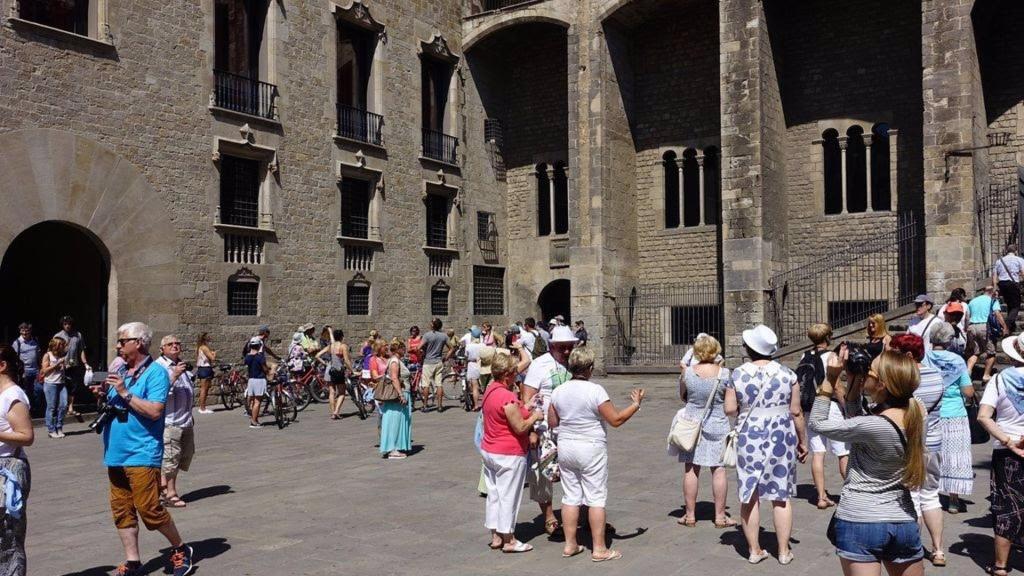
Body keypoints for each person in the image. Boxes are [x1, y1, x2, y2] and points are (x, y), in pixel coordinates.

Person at [810, 349, 926, 575]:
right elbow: (857, 418)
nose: (867, 375)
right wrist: (855, 380)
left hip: (860, 520)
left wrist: (831, 379)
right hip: (902, 519)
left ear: (882, 384)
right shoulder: (916, 412)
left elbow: (817, 423)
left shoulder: (875, 426)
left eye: (870, 372)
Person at [101, 322, 194, 576]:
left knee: (149, 509)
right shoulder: (122, 370)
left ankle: (180, 548)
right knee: (122, 511)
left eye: (123, 341)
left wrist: (124, 392)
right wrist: (106, 391)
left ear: (139, 343)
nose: (118, 345)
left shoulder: (156, 373)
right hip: (116, 452)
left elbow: (154, 411)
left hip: (142, 452)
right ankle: (133, 561)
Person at [549, 346, 644, 561]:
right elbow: (616, 419)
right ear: (590, 368)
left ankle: (570, 544)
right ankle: (599, 548)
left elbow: (553, 421)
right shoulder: (595, 390)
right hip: (590, 446)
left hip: (566, 446)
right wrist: (635, 405)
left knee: (570, 496)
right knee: (596, 498)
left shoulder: (559, 390)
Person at [724, 324, 807, 565]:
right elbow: (796, 411)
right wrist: (803, 442)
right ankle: (783, 551)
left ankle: (754, 550)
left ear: (749, 348)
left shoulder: (736, 374)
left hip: (750, 435)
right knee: (781, 495)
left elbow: (730, 409)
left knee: (750, 493)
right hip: (781, 434)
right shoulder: (787, 374)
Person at [890, 332, 947, 567]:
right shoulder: (937, 375)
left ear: (908, 355)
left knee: (912, 498)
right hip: (934, 443)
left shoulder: (906, 380)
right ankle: (938, 549)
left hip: (911, 446)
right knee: (931, 496)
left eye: (895, 352)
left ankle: (912, 549)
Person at [667, 334, 734, 528]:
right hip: (718, 423)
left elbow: (683, 396)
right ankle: (720, 516)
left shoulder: (687, 373)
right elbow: (730, 405)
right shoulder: (725, 374)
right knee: (718, 469)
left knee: (691, 468)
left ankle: (689, 515)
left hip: (692, 423)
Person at [481, 350, 544, 553]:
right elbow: (520, 427)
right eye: (514, 373)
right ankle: (509, 539)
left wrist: (525, 406)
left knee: (494, 494)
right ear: (507, 374)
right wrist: (535, 416)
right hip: (508, 453)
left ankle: (496, 536)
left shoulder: (490, 390)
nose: (517, 376)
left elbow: (512, 411)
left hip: (489, 450)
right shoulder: (506, 396)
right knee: (509, 496)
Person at [522, 325, 577, 535]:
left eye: (569, 347)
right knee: (542, 473)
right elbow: (527, 396)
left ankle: (582, 512)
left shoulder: (575, 361)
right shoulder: (540, 365)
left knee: (575, 471)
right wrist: (532, 430)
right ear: (551, 346)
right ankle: (549, 517)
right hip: (544, 428)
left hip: (570, 428)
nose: (566, 352)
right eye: (561, 348)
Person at [977, 331, 1024, 576]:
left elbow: (983, 416)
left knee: (1006, 505)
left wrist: (1008, 440)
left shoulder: (999, 379)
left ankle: (1001, 566)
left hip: (1007, 452)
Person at [924, 322, 975, 514]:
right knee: (955, 456)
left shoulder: (925, 358)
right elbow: (968, 392)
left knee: (932, 455)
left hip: (932, 412)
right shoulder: (957, 360)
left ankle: (930, 494)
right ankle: (953, 500)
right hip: (954, 413)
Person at [802, 324, 849, 510]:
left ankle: (821, 496)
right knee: (843, 452)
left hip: (811, 408)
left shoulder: (805, 356)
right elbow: (836, 385)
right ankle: (851, 493)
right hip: (830, 407)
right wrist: (847, 406)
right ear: (828, 337)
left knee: (818, 453)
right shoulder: (831, 356)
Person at [0, 344, 34, 575]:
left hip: (7, 470)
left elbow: (26, 436)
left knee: (8, 539)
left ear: (2, 366)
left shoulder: (12, 395)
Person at [155, 336, 195, 510]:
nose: (175, 346)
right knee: (170, 460)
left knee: (181, 458)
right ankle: (169, 494)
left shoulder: (181, 365)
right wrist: (174, 375)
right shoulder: (159, 367)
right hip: (170, 422)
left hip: (185, 421)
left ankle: (165, 490)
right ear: (162, 348)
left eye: (177, 343)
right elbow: (158, 392)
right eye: (170, 344)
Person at [967, 284, 1008, 383]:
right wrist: (1005, 327)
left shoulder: (972, 301)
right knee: (991, 352)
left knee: (975, 352)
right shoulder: (993, 300)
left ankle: (968, 370)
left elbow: (968, 316)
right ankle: (986, 375)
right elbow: (997, 314)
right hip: (985, 327)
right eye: (996, 293)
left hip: (972, 327)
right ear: (992, 292)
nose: (997, 295)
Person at [379, 341, 412, 459]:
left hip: (401, 394)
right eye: (403, 348)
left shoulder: (395, 360)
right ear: (398, 349)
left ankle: (395, 446)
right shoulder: (394, 361)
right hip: (398, 395)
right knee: (395, 421)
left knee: (398, 420)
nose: (405, 350)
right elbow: (394, 378)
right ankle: (393, 448)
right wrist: (401, 395)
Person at [55, 315, 90, 418]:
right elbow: (54, 352)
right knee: (62, 386)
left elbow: (81, 350)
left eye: (69, 324)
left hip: (74, 365)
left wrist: (85, 363)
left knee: (73, 387)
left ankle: (70, 408)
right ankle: (62, 407)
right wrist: (58, 364)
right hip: (62, 366)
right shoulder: (58, 336)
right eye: (65, 324)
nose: (67, 326)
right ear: (62, 325)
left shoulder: (78, 335)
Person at [317, 329, 352, 420]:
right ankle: (336, 411)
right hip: (338, 370)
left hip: (330, 369)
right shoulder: (343, 346)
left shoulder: (330, 346)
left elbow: (317, 355)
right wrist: (351, 370)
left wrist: (325, 363)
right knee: (342, 393)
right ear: (342, 337)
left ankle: (333, 413)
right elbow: (347, 361)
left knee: (331, 392)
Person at [419, 318, 450, 412]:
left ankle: (425, 405)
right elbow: (452, 348)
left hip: (428, 362)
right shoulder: (444, 336)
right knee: (439, 384)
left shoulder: (427, 335)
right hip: (439, 361)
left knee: (426, 384)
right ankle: (440, 406)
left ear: (432, 325)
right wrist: (446, 357)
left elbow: (419, 347)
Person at [40, 337, 67, 439]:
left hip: (61, 383)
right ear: (56, 345)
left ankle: (59, 427)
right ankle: (51, 429)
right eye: (62, 345)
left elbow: (60, 369)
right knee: (51, 407)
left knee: (63, 405)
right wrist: (57, 365)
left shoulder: (61, 355)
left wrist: (64, 366)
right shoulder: (47, 355)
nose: (63, 347)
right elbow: (45, 371)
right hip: (50, 384)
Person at [993, 244, 1024, 332]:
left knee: (1010, 304)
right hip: (1013, 284)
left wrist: (995, 287)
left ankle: (1012, 327)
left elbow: (995, 275)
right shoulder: (1019, 259)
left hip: (1002, 284)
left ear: (1007, 251)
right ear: (1016, 251)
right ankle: (1005, 325)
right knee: (1016, 306)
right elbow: (1023, 272)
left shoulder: (999, 261)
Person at [12, 323, 41, 413]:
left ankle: (36, 409)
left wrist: (41, 367)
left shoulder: (35, 340)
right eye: (22, 331)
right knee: (26, 392)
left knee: (39, 390)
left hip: (36, 370)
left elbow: (39, 354)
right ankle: (27, 410)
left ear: (30, 331)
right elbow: (14, 358)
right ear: (20, 331)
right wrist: (19, 371)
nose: (24, 333)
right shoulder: (17, 343)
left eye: (26, 331)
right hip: (25, 371)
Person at [243, 338, 268, 429]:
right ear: (258, 346)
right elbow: (265, 368)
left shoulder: (248, 357)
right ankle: (253, 421)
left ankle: (255, 419)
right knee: (257, 402)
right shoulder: (260, 356)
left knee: (254, 401)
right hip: (259, 379)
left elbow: (247, 363)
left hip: (251, 380)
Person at [194, 333, 216, 415]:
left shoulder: (199, 348)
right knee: (204, 389)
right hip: (205, 368)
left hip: (201, 368)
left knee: (204, 388)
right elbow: (212, 358)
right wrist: (214, 354)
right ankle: (202, 408)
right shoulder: (204, 348)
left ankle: (202, 407)